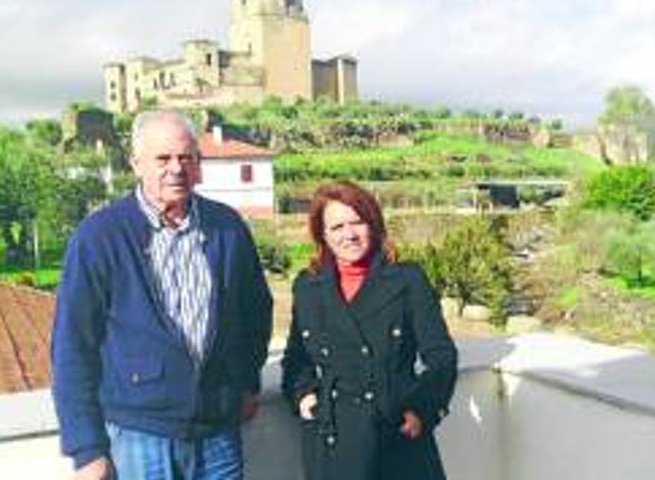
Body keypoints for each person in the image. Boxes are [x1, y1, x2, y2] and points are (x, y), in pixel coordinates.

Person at [51, 110, 273, 480]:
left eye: (186, 157)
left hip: (217, 433)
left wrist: (247, 383)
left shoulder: (227, 228)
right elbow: (73, 344)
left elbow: (255, 311)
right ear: (136, 164)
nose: (176, 168)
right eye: (163, 158)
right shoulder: (100, 236)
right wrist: (86, 447)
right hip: (141, 435)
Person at [281, 181, 457, 480]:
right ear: (322, 234)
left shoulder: (407, 280)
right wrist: (304, 397)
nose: (349, 234)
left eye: (357, 223)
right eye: (337, 227)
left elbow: (441, 357)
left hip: (397, 436)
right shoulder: (308, 287)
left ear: (373, 225)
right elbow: (297, 359)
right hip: (333, 439)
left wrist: (420, 411)